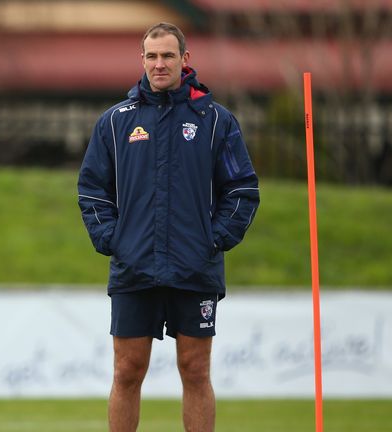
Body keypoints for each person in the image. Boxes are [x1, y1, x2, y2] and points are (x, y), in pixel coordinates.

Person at [77, 23, 259, 432]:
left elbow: (242, 188)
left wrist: (214, 240)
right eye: (152, 56)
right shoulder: (114, 122)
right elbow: (92, 190)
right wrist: (112, 239)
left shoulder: (216, 121)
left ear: (185, 60)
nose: (160, 64)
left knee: (195, 371)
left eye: (168, 56)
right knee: (127, 371)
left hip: (195, 268)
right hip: (134, 266)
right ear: (141, 60)